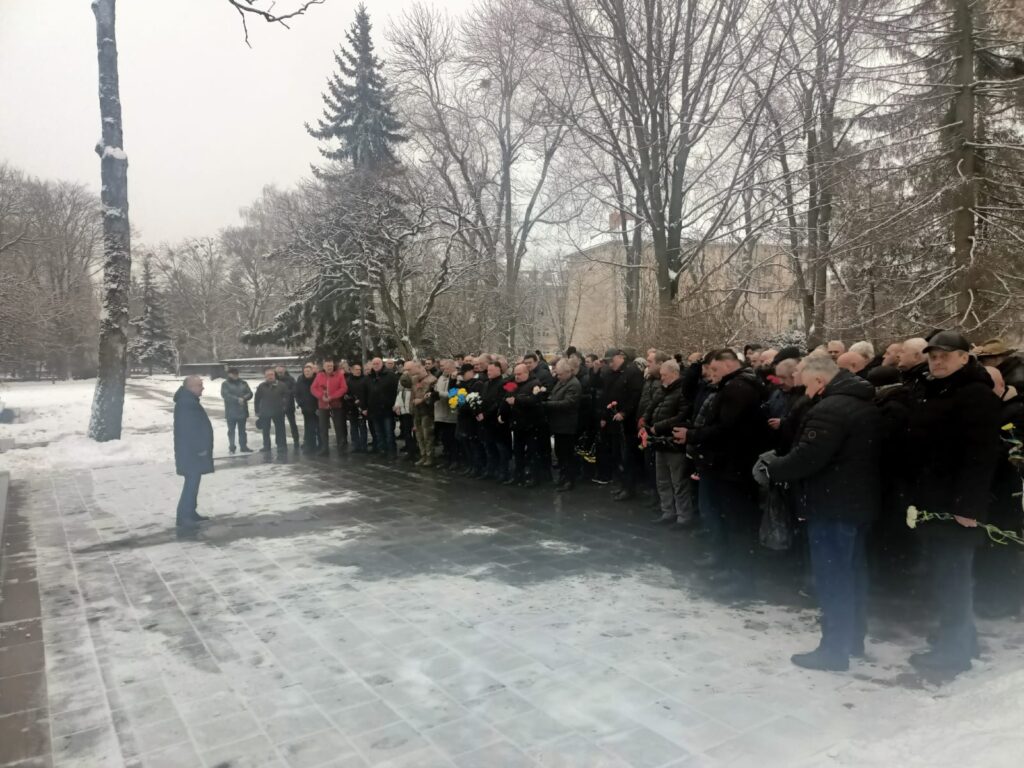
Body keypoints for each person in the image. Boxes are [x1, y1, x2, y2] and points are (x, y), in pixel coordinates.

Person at [757, 355, 882, 671]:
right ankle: (852, 638)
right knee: (852, 573)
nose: (803, 391)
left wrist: (774, 468)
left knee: (833, 577)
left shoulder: (829, 409)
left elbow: (808, 456)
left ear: (819, 380)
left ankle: (834, 649)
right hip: (856, 503)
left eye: (805, 384)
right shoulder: (862, 401)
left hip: (831, 504)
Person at [903, 330, 1002, 676]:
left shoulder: (975, 395)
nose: (937, 361)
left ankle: (954, 652)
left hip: (956, 507)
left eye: (945, 355)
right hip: (934, 499)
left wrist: (967, 507)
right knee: (944, 574)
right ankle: (961, 639)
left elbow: (981, 456)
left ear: (964, 357)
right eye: (933, 355)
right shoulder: (939, 389)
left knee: (952, 578)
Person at [678, 349, 765, 597]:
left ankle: (741, 579)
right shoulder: (736, 386)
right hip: (729, 464)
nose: (710, 375)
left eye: (715, 370)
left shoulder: (737, 389)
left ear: (728, 365)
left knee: (737, 524)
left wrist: (692, 435)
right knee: (729, 521)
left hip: (733, 466)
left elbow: (725, 429)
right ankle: (732, 569)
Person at [645, 360, 695, 526]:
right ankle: (668, 512)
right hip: (660, 440)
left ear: (674, 373)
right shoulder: (663, 390)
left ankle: (683, 516)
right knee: (663, 480)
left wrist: (658, 426)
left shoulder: (683, 392)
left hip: (673, 440)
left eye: (664, 375)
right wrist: (646, 421)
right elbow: (652, 407)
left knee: (678, 481)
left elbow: (682, 416)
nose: (662, 378)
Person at [600, 348, 644, 500]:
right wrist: (605, 415)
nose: (610, 364)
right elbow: (607, 394)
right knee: (618, 455)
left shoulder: (632, 372)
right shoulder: (613, 373)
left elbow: (635, 396)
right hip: (614, 419)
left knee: (628, 456)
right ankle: (623, 484)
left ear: (620, 357)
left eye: (611, 361)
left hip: (628, 421)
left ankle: (629, 487)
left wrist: (624, 412)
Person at [173, 375, 214, 528]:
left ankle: (190, 512)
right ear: (191, 387)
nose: (202, 388)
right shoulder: (187, 403)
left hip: (190, 451)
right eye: (200, 385)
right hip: (191, 452)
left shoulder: (188, 401)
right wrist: (200, 448)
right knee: (191, 483)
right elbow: (190, 429)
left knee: (193, 482)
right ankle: (184, 516)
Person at [505, 363, 545, 486]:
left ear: (527, 373)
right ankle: (518, 475)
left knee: (532, 452)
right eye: (515, 374)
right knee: (518, 452)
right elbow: (505, 394)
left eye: (519, 374)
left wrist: (517, 400)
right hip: (517, 424)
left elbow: (535, 401)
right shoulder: (513, 383)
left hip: (531, 424)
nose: (516, 376)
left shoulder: (535, 384)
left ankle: (534, 477)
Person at [544, 358, 582, 491]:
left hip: (567, 424)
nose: (557, 376)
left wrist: (547, 404)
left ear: (568, 372)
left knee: (567, 454)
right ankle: (563, 476)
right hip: (559, 424)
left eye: (560, 374)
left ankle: (569, 480)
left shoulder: (574, 384)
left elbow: (568, 403)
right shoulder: (562, 382)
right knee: (560, 452)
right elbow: (555, 395)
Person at [311, 359, 348, 456]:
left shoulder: (339, 375)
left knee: (339, 427)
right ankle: (325, 449)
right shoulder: (319, 376)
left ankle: (341, 448)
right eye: (327, 366)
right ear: (324, 367)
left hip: (336, 405)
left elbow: (343, 388)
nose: (329, 368)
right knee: (323, 428)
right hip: (323, 405)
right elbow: (313, 388)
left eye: (331, 366)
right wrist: (321, 396)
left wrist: (333, 396)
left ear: (333, 366)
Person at [366, 357, 399, 459]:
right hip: (374, 409)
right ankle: (382, 450)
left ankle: (392, 451)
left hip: (387, 409)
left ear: (382, 364)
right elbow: (366, 392)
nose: (376, 365)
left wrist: (394, 404)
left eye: (378, 363)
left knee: (389, 432)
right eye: (374, 364)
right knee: (378, 432)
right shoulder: (369, 377)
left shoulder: (390, 375)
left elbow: (396, 391)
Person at [409, 361, 437, 467]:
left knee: (427, 436)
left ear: (420, 368)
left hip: (427, 411)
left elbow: (432, 396)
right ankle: (423, 455)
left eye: (413, 370)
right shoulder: (414, 379)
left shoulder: (432, 380)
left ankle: (430, 457)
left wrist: (421, 400)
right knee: (419, 435)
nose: (412, 373)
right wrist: (411, 407)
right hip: (417, 411)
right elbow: (412, 394)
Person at [254, 367, 288, 453]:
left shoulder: (282, 385)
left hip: (278, 411)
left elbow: (287, 397)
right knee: (265, 430)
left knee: (280, 429)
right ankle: (266, 446)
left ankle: (281, 445)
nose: (270, 376)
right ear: (265, 376)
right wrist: (257, 410)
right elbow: (257, 399)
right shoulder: (261, 386)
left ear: (274, 375)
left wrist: (284, 406)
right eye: (268, 375)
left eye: (272, 374)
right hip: (265, 411)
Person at [220, 367, 253, 454]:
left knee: (242, 430)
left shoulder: (243, 383)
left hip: (242, 410)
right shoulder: (225, 384)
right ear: (229, 374)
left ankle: (243, 446)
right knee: (231, 431)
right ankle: (232, 447)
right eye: (233, 374)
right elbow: (225, 395)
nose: (235, 375)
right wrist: (237, 399)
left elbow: (250, 393)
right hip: (231, 411)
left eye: (236, 374)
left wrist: (244, 398)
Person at [434, 360, 459, 468]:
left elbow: (454, 394)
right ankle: (447, 460)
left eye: (448, 368)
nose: (445, 370)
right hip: (441, 413)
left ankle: (454, 460)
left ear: (453, 368)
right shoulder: (440, 377)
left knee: (452, 439)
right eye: (444, 368)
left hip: (451, 414)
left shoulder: (457, 378)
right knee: (445, 439)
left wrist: (438, 393)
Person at [294, 362, 321, 453]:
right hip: (306, 408)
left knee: (319, 427)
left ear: (312, 371)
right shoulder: (300, 380)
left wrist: (319, 407)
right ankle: (310, 445)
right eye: (305, 371)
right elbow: (296, 393)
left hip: (317, 408)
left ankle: (321, 445)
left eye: (309, 371)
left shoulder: (317, 379)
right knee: (309, 428)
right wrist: (300, 403)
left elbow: (321, 393)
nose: (307, 373)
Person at [274, 365, 300, 448]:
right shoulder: (274, 379)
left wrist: (286, 392)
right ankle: (280, 442)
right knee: (279, 424)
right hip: (278, 406)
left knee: (292, 423)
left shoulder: (290, 379)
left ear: (284, 370)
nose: (280, 373)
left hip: (289, 405)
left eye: (281, 371)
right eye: (278, 372)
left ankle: (296, 440)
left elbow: (295, 389)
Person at [346, 362, 370, 453]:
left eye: (360, 369)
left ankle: (364, 446)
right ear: (352, 371)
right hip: (352, 408)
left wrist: (364, 406)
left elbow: (367, 393)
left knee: (363, 427)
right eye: (356, 369)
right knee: (353, 427)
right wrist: (352, 400)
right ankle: (356, 445)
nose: (358, 371)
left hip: (363, 408)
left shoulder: (365, 380)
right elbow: (346, 394)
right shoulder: (348, 381)